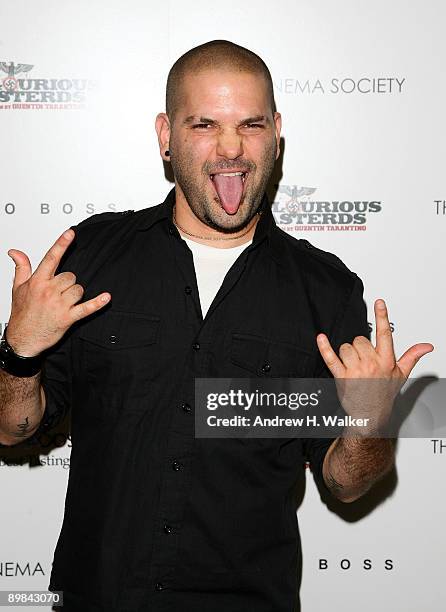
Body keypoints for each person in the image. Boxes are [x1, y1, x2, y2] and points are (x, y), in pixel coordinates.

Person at [0, 40, 433, 612]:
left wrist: (372, 422)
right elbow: (12, 428)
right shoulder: (92, 255)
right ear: (166, 135)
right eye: (204, 124)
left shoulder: (324, 289)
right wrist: (18, 351)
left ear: (277, 132)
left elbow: (347, 480)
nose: (232, 148)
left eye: (250, 124)